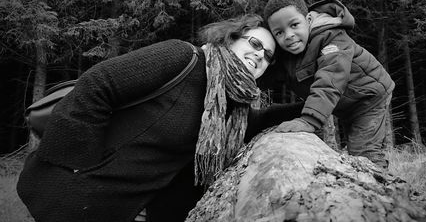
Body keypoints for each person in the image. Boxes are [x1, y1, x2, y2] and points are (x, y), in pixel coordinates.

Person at [17, 14, 304, 222]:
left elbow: (259, 120)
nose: (259, 55)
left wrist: (315, 105)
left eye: (267, 55)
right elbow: (97, 84)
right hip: (75, 195)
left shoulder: (231, 106)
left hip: (128, 210)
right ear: (232, 36)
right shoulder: (184, 58)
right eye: (254, 43)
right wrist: (81, 167)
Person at [261, 0, 394, 169]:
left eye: (294, 25)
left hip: (368, 98)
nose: (289, 35)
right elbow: (265, 77)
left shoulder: (332, 37)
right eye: (279, 32)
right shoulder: (287, 54)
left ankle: (386, 189)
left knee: (364, 152)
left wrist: (309, 120)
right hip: (345, 102)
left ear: (308, 20)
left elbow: (331, 78)